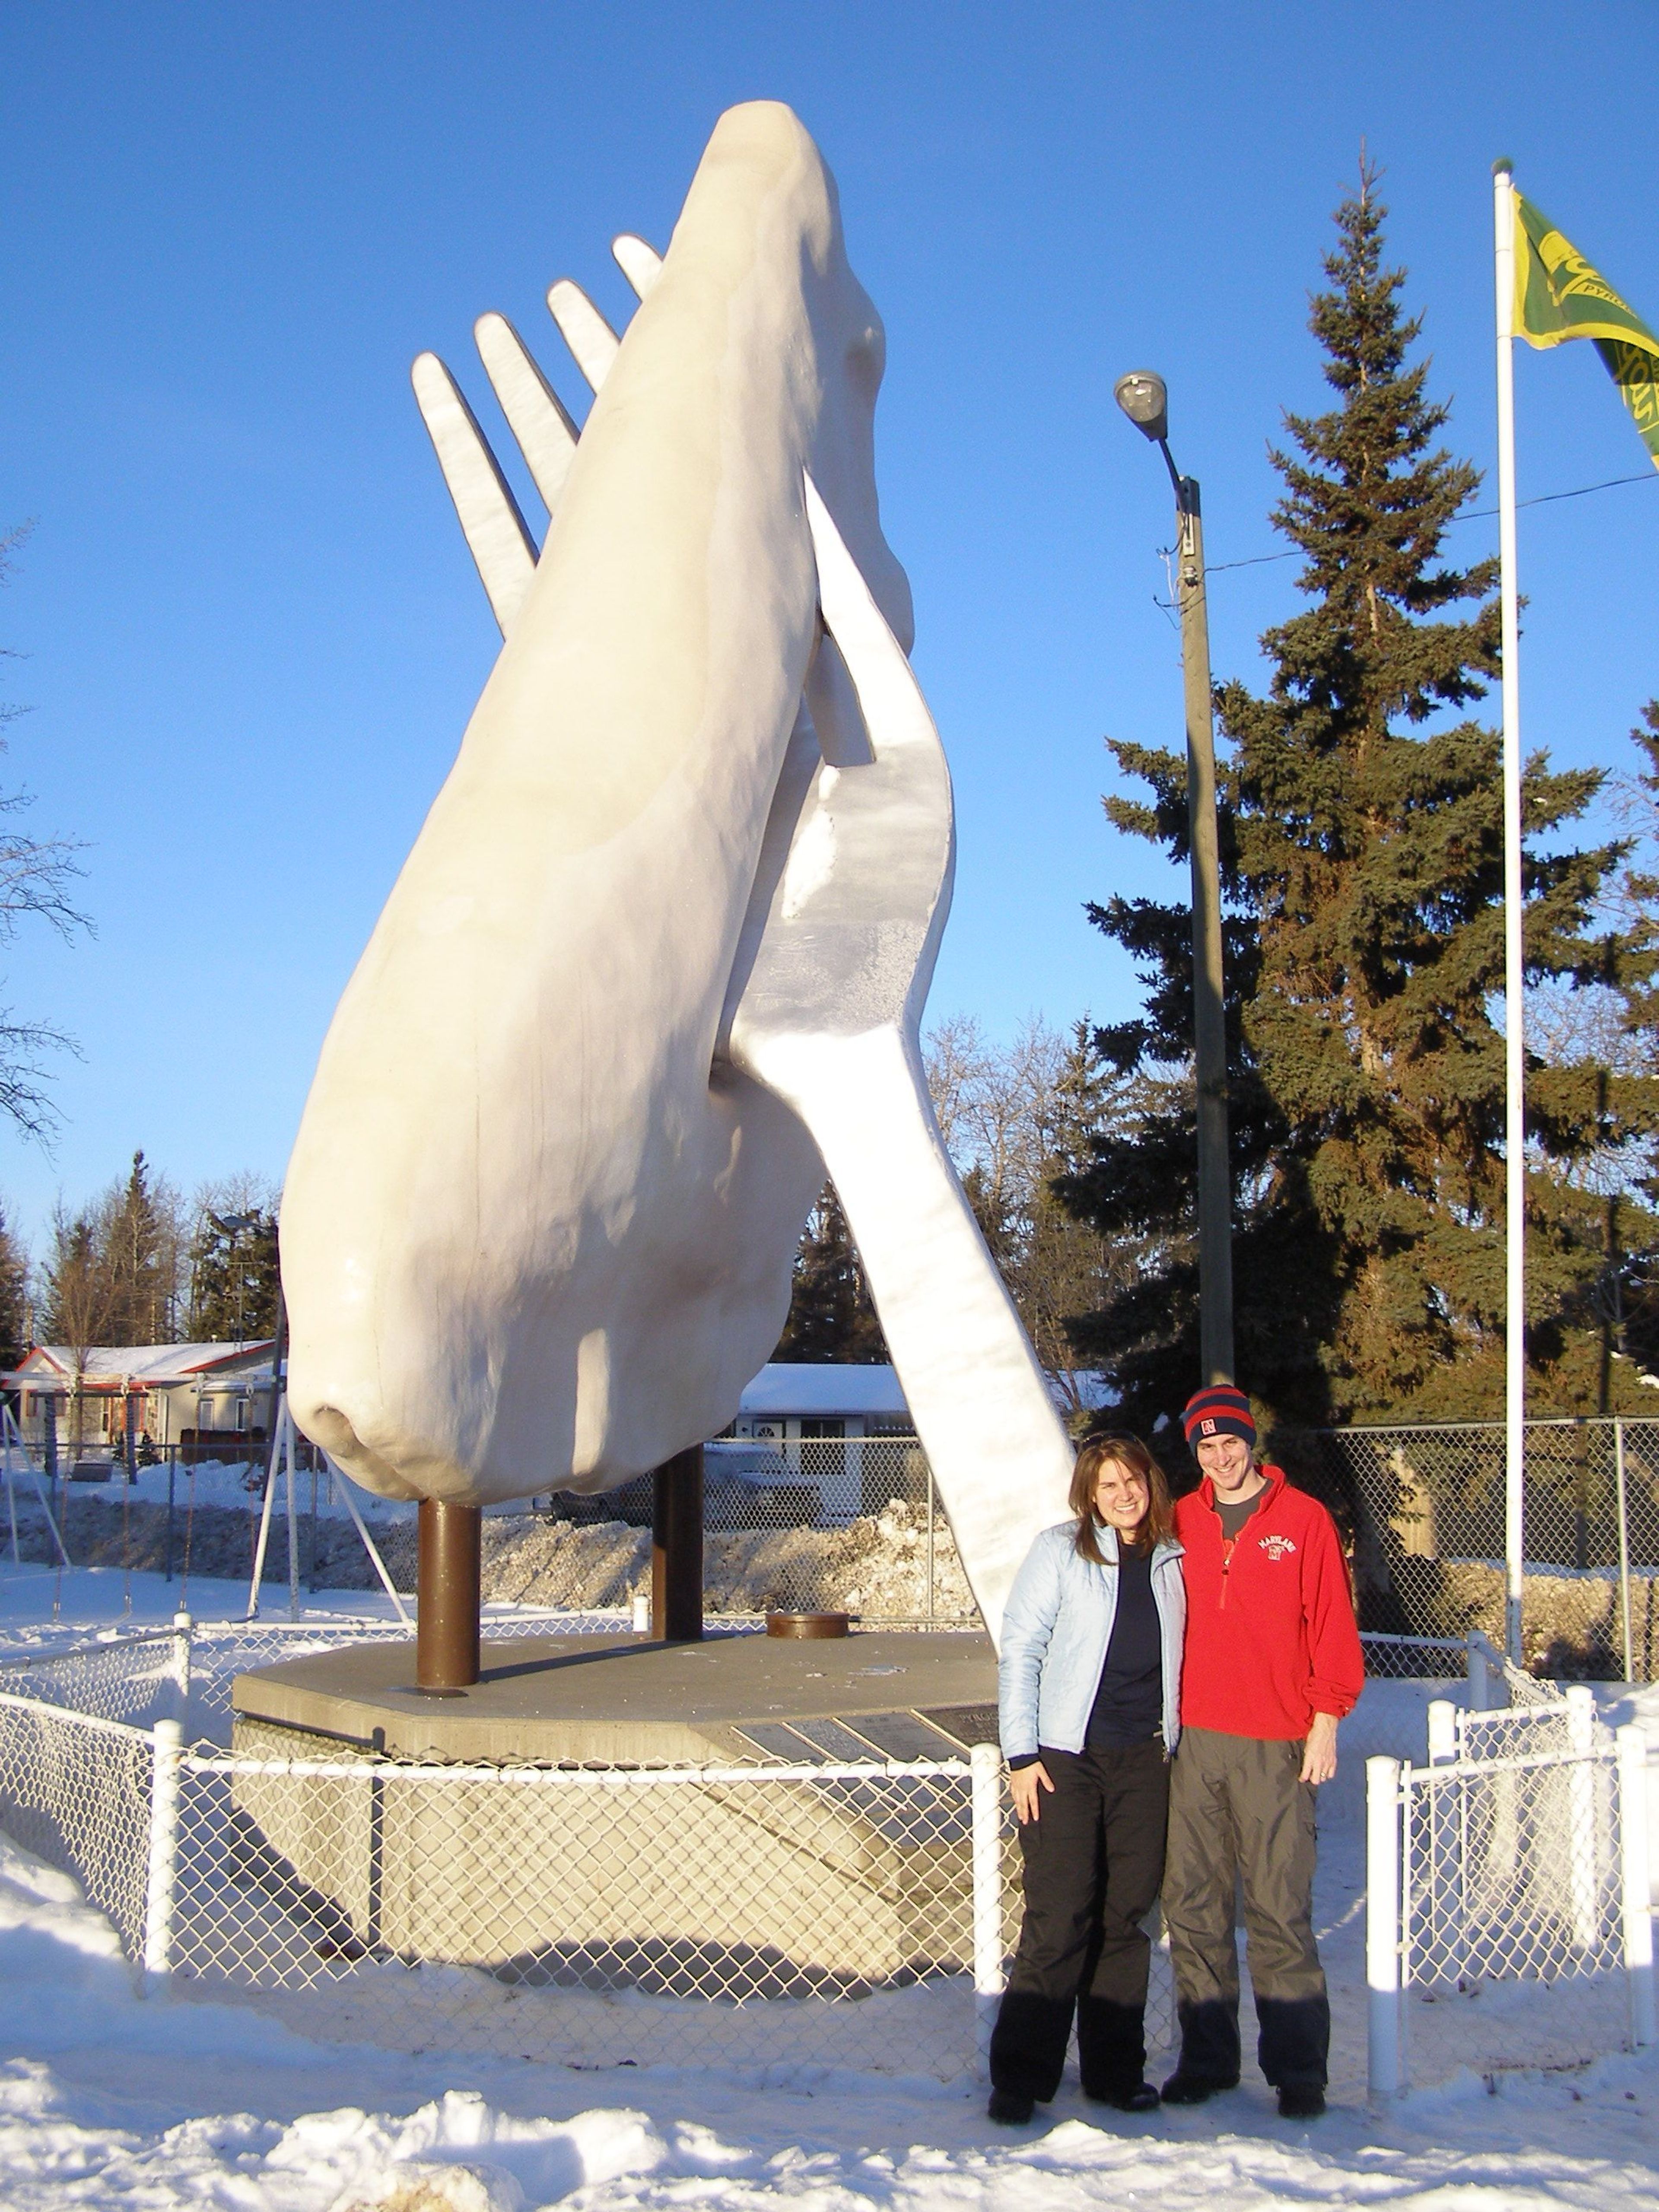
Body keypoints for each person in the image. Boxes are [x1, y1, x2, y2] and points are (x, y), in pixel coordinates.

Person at [1160, 1383, 1364, 2121]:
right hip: (1195, 1741)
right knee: (1195, 1905)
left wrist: (1326, 1718)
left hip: (1276, 1741)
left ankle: (1299, 2070)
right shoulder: (1179, 1520)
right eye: (1207, 1447)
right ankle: (1209, 2059)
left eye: (1231, 1442)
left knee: (1279, 1906)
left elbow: (1333, 1627)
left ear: (1252, 1441)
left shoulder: (1303, 1521)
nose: (1221, 1457)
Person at [988, 1434, 1187, 2126]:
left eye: (1132, 1480)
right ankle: (1021, 2076)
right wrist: (1021, 1755)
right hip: (1064, 1760)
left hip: (1143, 1760)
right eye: (1108, 1486)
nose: (1123, 1494)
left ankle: (1113, 2071)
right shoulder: (1061, 1552)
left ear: (1150, 1483)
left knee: (1125, 1919)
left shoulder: (1171, 1558)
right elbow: (1022, 1650)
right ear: (1089, 1496)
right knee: (1060, 1916)